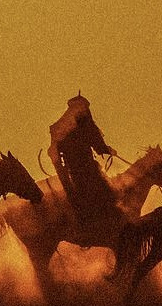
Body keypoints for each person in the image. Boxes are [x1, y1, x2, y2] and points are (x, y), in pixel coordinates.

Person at [50, 94, 121, 233]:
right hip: (87, 169)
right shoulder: (84, 123)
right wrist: (109, 151)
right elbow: (98, 145)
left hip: (72, 170)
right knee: (107, 195)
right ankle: (105, 228)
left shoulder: (62, 129)